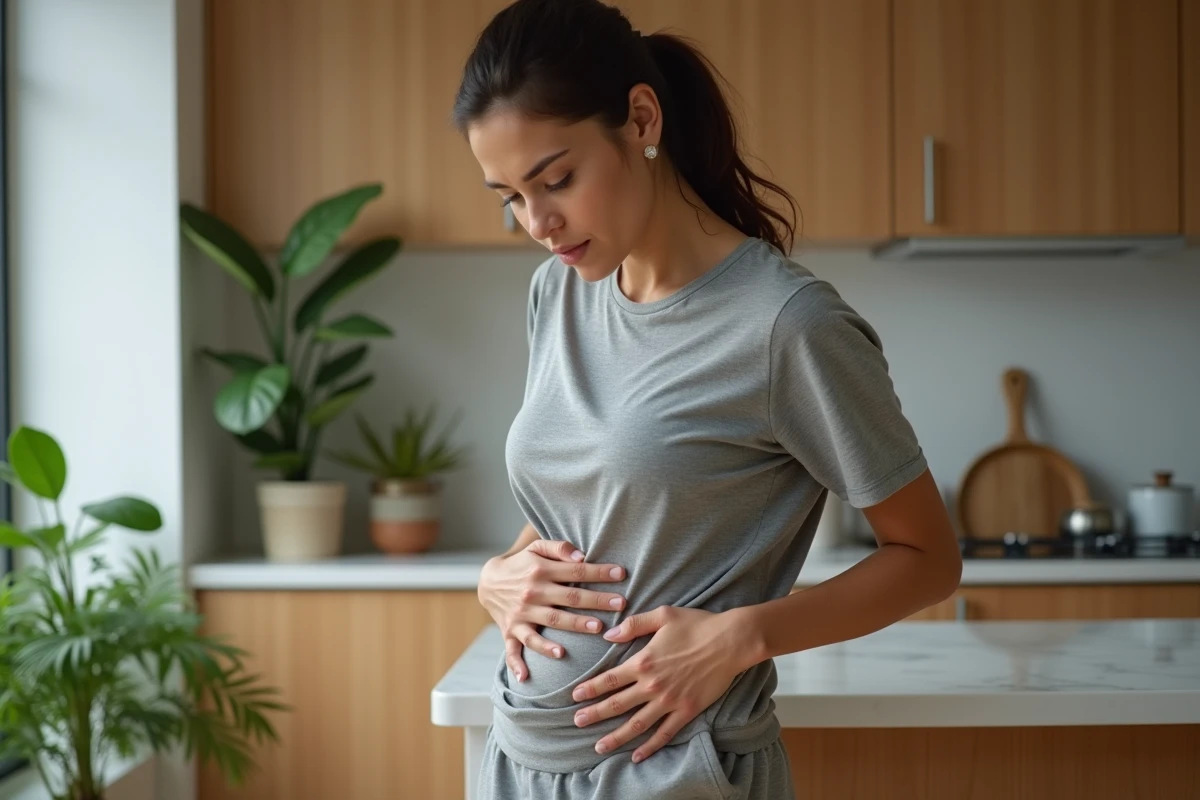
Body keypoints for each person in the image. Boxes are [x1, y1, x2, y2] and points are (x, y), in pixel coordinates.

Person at [452, 0, 962, 797]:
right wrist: (499, 575)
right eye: (510, 196)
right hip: (518, 761)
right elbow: (596, 499)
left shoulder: (785, 326)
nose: (538, 222)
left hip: (674, 770)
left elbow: (928, 559)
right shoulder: (557, 293)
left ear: (641, 118)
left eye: (556, 179)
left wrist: (741, 637)